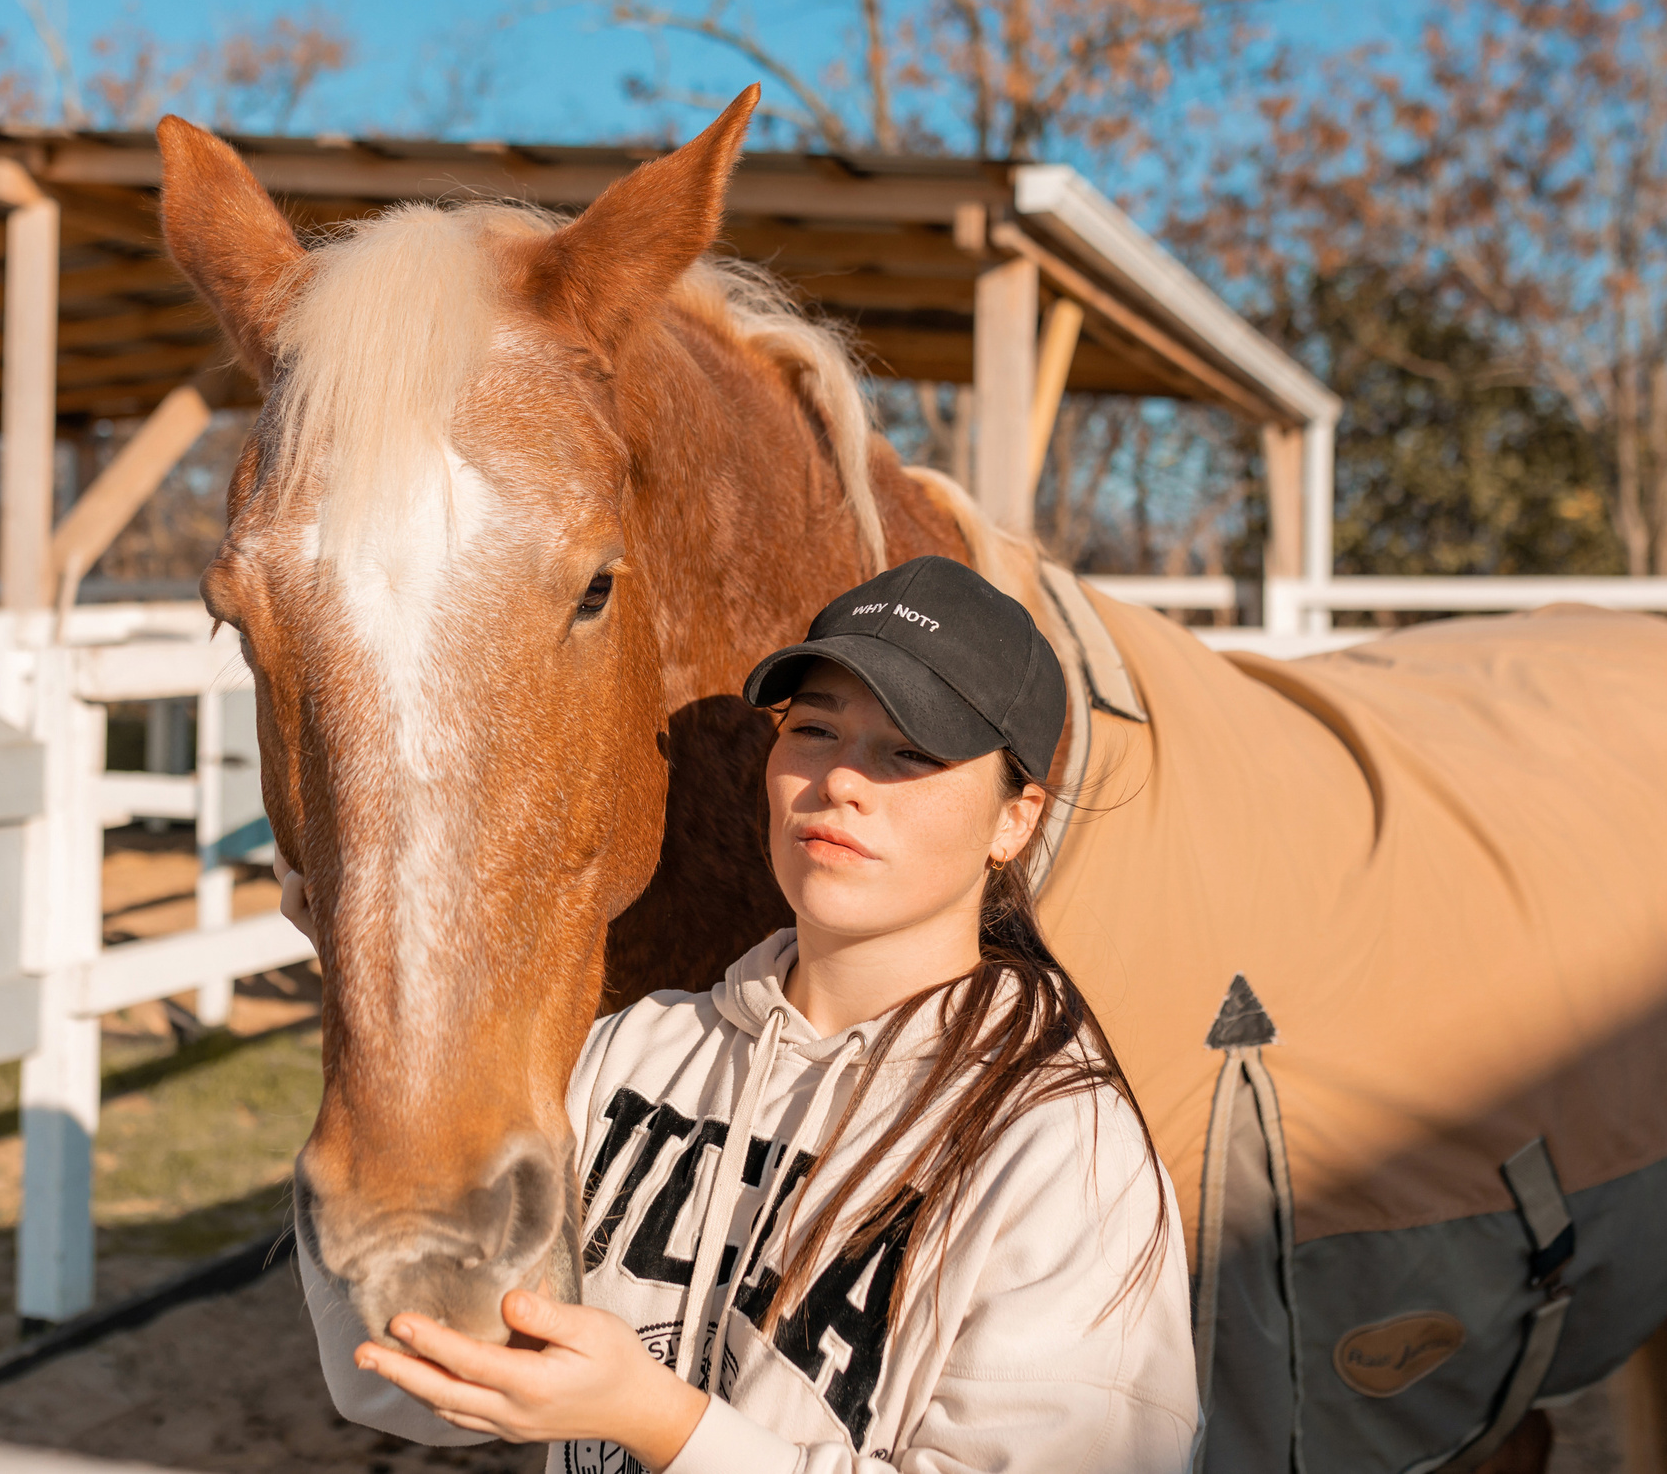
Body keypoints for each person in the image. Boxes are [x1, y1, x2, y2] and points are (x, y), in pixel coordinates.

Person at [302, 555, 1199, 1472]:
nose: (840, 780)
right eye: (813, 729)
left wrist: (663, 1424)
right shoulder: (629, 1055)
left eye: (910, 752)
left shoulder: (1064, 1152)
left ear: (1016, 820)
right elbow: (406, 1376)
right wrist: (375, 988)